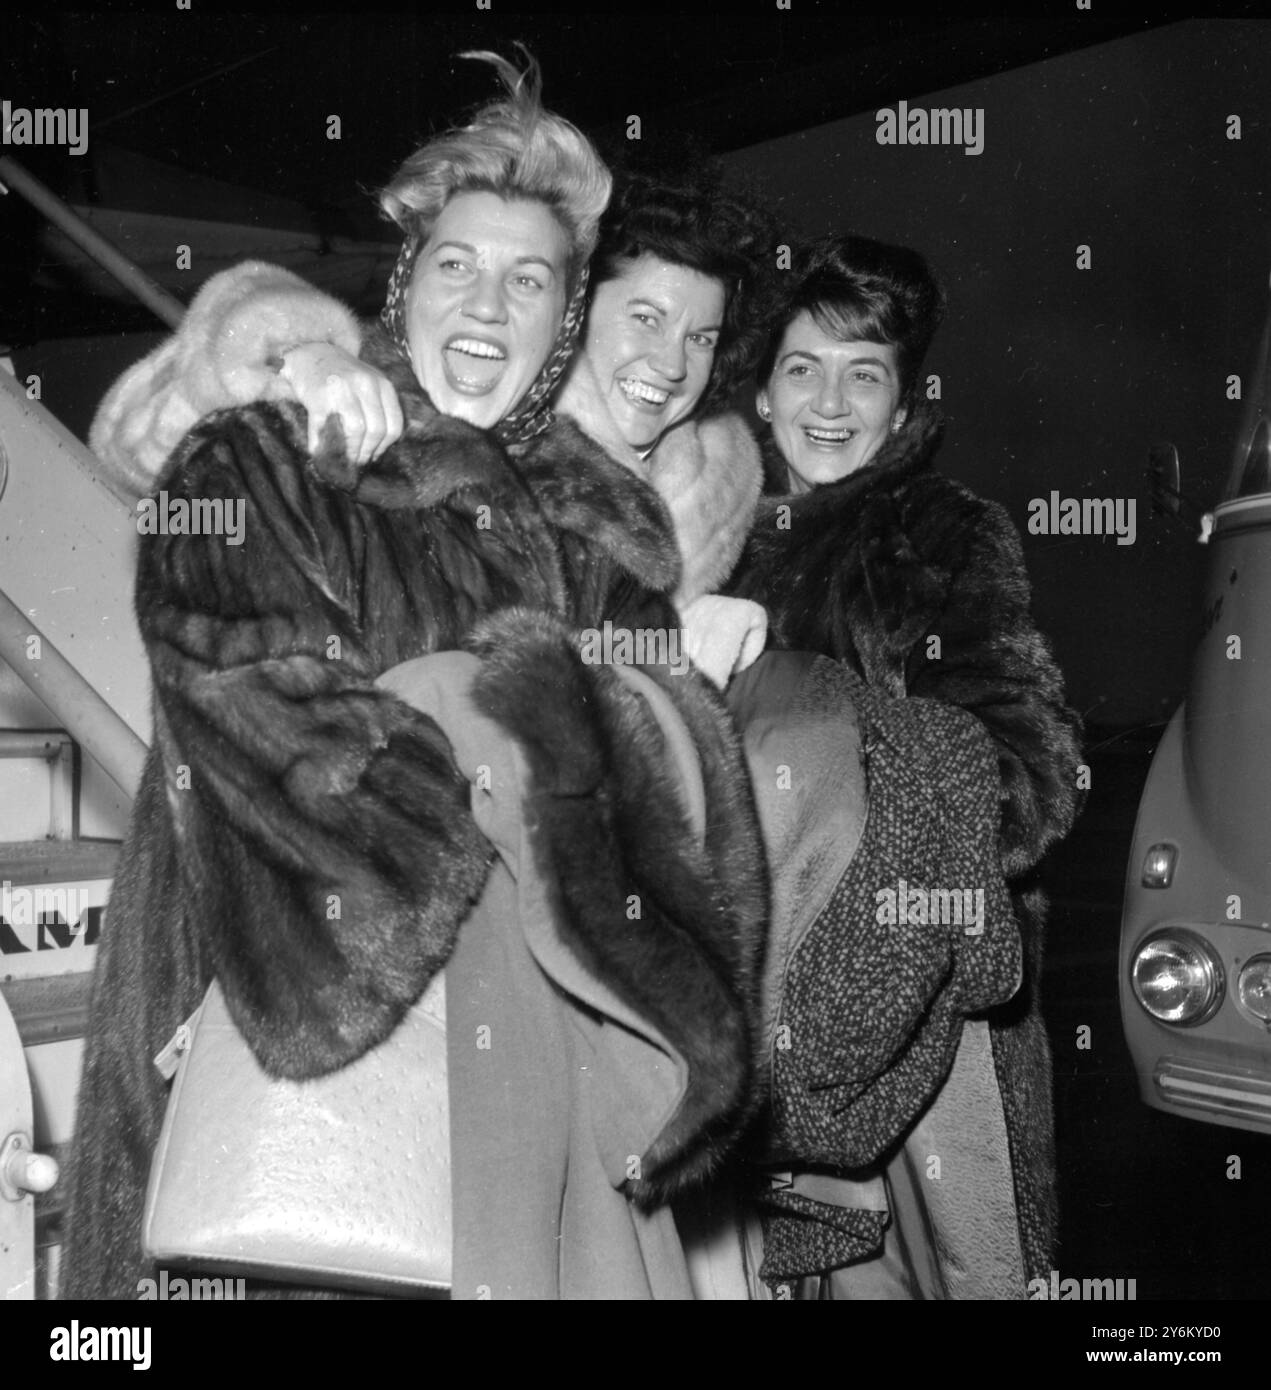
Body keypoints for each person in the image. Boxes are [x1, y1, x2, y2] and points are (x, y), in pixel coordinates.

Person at [65, 50, 767, 1300]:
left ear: (565, 329)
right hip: (283, 1062)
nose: (486, 306)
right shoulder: (273, 453)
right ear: (403, 291)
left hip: (530, 1104)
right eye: (455, 266)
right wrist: (519, 777)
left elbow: (667, 822)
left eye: (528, 280)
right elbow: (268, 721)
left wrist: (675, 691)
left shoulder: (597, 541)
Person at [726, 234, 1083, 1296]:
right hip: (741, 1001)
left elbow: (1031, 777)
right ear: (759, 392)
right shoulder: (698, 542)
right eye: (803, 368)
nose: (829, 401)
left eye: (863, 372)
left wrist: (873, 860)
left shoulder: (939, 532)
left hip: (920, 1022)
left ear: (900, 400)